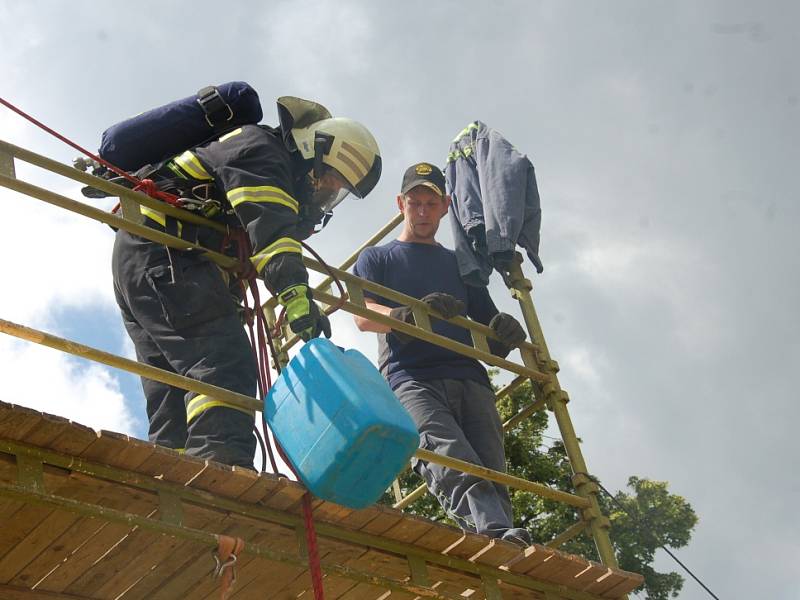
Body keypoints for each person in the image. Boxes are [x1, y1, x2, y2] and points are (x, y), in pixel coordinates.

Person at [112, 96, 381, 467]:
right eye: (329, 178)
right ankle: (220, 475)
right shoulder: (262, 152)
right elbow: (272, 234)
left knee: (173, 393)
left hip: (146, 258)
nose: (328, 193)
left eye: (338, 189)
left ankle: (166, 482)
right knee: (224, 364)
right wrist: (296, 296)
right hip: (168, 255)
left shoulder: (253, 151)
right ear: (311, 152)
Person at [353, 162, 531, 545]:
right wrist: (408, 315)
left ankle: (502, 540)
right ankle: (497, 536)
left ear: (446, 205)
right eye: (414, 203)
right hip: (412, 378)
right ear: (400, 203)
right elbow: (363, 316)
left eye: (430, 203)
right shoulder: (377, 258)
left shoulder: (458, 263)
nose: (421, 212)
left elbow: (487, 323)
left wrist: (505, 331)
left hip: (469, 377)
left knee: (491, 468)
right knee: (450, 457)